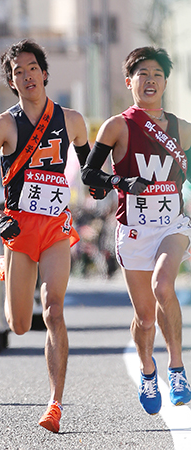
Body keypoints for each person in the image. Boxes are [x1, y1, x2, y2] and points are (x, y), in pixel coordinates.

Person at [0, 39, 90, 432]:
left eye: (32, 68)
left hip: (56, 226)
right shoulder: (2, 125)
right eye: (17, 72)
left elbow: (89, 170)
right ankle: (5, 265)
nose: (26, 76)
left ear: (44, 71)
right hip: (20, 229)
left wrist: (107, 183)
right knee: (19, 325)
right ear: (11, 81)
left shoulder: (71, 119)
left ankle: (55, 404)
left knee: (53, 309)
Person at [82, 46, 191, 416]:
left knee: (164, 286)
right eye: (143, 74)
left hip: (173, 225)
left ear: (166, 83)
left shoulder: (182, 129)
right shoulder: (117, 125)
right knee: (145, 317)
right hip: (133, 230)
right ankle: (149, 371)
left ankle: (177, 369)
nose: (151, 81)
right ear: (129, 82)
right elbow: (88, 174)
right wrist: (120, 181)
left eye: (157, 75)